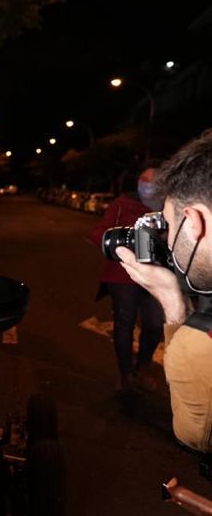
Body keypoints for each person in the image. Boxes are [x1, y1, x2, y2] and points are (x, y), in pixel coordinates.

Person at [116, 134, 212, 452]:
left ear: (195, 222)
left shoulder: (199, 344)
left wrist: (173, 302)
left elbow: (195, 435)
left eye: (169, 226)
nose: (166, 241)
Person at [89, 164, 166, 392]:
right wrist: (122, 240)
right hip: (122, 276)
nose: (148, 187)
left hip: (155, 276)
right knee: (125, 324)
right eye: (144, 181)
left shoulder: (168, 206)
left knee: (154, 324)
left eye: (154, 182)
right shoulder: (122, 204)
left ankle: (142, 366)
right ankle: (125, 375)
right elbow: (97, 232)